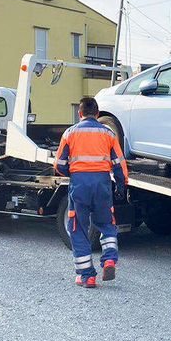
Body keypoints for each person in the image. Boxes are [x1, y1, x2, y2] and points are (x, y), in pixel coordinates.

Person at [53, 97, 128, 288]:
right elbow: (119, 162)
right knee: (106, 223)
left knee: (78, 227)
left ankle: (87, 276)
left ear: (79, 114)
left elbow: (59, 165)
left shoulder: (70, 133)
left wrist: (74, 172)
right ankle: (110, 259)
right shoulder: (108, 133)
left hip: (80, 183)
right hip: (102, 183)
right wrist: (121, 184)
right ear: (97, 113)